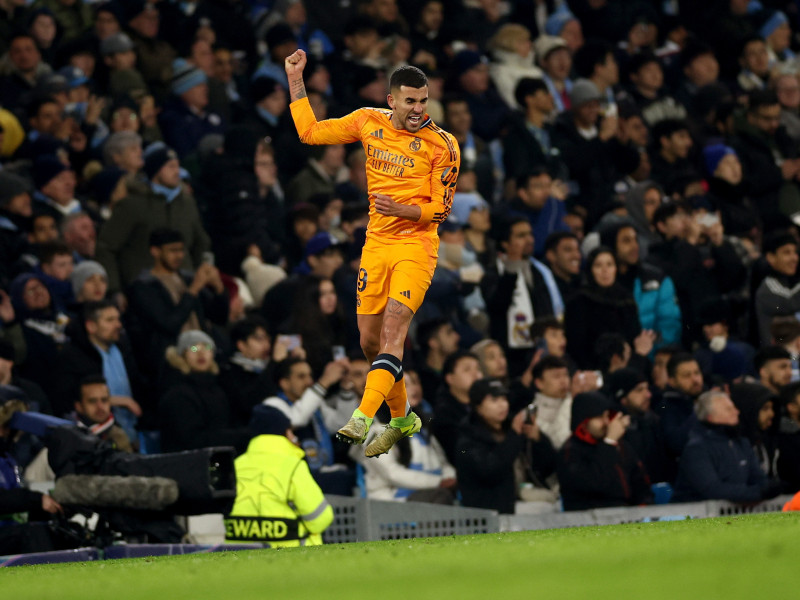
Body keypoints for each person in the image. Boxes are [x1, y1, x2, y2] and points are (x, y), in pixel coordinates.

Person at [285, 50, 460, 457]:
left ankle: (363, 416)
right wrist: (296, 78)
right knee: (369, 343)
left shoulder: (443, 145)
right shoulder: (367, 121)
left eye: (424, 100)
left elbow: (442, 209)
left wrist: (403, 210)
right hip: (377, 246)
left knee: (395, 329)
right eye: (410, 101)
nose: (418, 109)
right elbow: (309, 133)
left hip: (416, 246)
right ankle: (403, 419)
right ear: (391, 101)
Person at [225, 404, 333, 548]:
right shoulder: (293, 466)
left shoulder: (235, 466)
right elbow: (321, 518)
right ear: (286, 433)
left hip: (239, 559)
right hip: (292, 557)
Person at [455, 377, 556, 514]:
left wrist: (538, 439)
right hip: (489, 514)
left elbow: (549, 466)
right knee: (548, 511)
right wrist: (514, 436)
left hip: (518, 499)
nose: (503, 405)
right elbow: (491, 471)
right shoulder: (467, 440)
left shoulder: (512, 428)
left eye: (504, 399)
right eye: (494, 400)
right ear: (478, 407)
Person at [672, 391, 782, 503]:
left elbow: (759, 479)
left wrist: (771, 488)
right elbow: (712, 489)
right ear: (711, 417)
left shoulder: (742, 443)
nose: (737, 412)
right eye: (729, 409)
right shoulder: (697, 449)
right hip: (694, 516)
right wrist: (759, 493)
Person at [557, 391, 652, 511]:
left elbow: (641, 484)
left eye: (607, 416)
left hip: (628, 517)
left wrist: (643, 508)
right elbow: (595, 484)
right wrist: (609, 443)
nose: (606, 422)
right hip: (587, 520)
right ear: (584, 421)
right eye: (599, 417)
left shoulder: (621, 446)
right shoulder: (570, 452)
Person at [158, 330, 250, 454]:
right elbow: (193, 441)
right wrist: (241, 436)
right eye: (194, 348)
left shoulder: (218, 389)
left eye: (206, 347)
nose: (201, 353)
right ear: (182, 355)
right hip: (185, 465)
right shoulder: (177, 393)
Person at [72, 374, 133, 453]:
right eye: (92, 401)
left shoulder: (118, 436)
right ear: (79, 406)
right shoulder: (67, 435)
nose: (100, 407)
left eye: (104, 400)